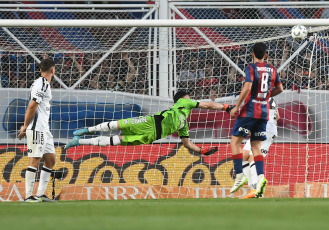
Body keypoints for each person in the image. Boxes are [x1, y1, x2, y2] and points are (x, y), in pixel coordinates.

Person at [65, 90, 233, 156]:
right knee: (118, 124)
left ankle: (78, 141)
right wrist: (225, 106)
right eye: (190, 97)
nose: (192, 99)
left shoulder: (183, 123)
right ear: (183, 99)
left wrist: (201, 150)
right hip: (150, 122)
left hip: (152, 136)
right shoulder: (184, 103)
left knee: (117, 140)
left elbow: (187, 143)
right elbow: (208, 105)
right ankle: (86, 129)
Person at [229, 42, 283, 198]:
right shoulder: (272, 70)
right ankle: (260, 178)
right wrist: (266, 96)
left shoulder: (251, 68)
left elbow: (247, 87)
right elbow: (280, 89)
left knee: (235, 142)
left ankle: (239, 176)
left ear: (252, 54)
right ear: (266, 55)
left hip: (250, 111)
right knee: (255, 147)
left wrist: (237, 106)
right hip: (264, 113)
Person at [17, 58, 56, 202]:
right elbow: (32, 106)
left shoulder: (43, 84)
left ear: (40, 69)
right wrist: (25, 126)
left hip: (45, 128)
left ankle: (40, 194)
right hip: (37, 128)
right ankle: (28, 196)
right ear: (53, 69)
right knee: (35, 160)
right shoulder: (42, 84)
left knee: (51, 159)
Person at [240, 97, 280, 199]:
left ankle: (256, 189)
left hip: (266, 130)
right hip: (267, 128)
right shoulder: (270, 98)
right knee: (244, 155)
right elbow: (278, 116)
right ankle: (253, 189)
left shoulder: (258, 97)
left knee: (252, 155)